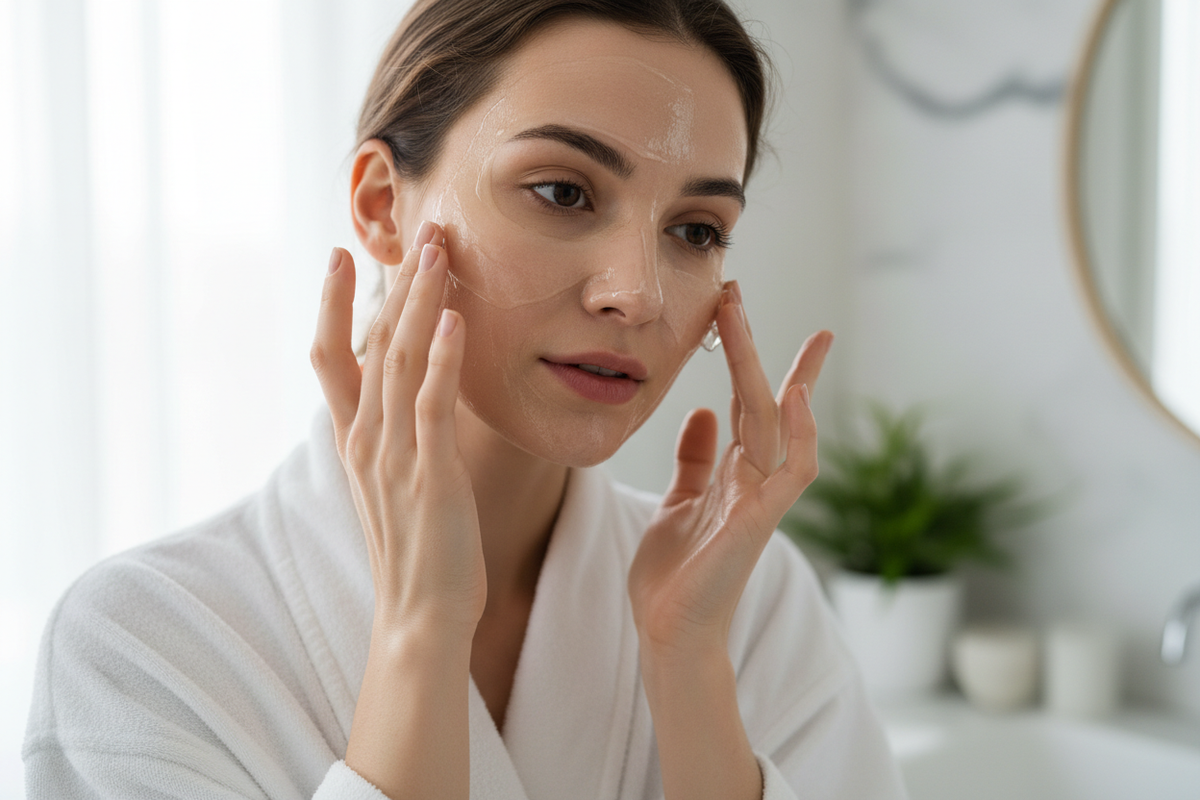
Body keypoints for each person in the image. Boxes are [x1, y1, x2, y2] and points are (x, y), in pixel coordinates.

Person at [24, 1, 907, 798]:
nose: (637, 294)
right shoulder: (140, 646)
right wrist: (420, 631)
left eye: (695, 231)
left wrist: (687, 669)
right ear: (380, 206)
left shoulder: (750, 609)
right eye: (563, 191)